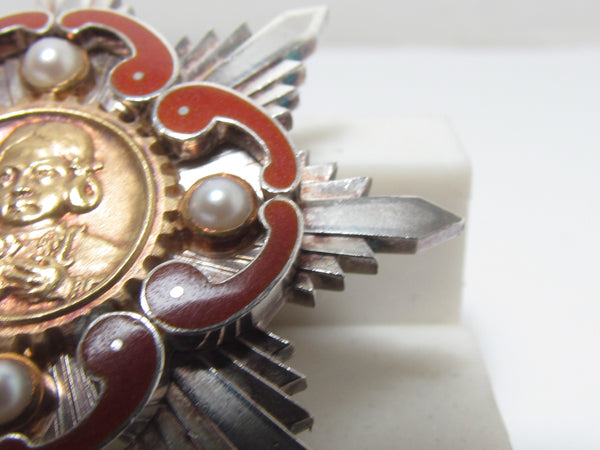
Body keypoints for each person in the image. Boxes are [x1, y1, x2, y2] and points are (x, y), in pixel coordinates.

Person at [0, 121, 124, 303]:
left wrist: (64, 287)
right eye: (6, 176)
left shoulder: (96, 252)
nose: (20, 187)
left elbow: (117, 294)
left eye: (43, 173)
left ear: (75, 180)